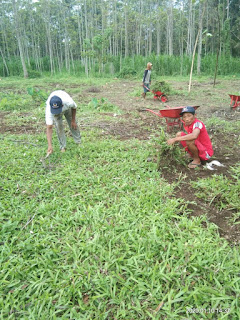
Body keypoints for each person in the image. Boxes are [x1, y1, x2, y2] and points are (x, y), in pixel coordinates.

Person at [45, 90, 81, 155]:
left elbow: (74, 108)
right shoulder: (49, 110)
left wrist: (73, 120)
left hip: (67, 109)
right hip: (57, 110)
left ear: (62, 105)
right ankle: (62, 147)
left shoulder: (68, 102)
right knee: (59, 127)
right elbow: (49, 127)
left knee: (73, 124)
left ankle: (78, 142)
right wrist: (49, 145)